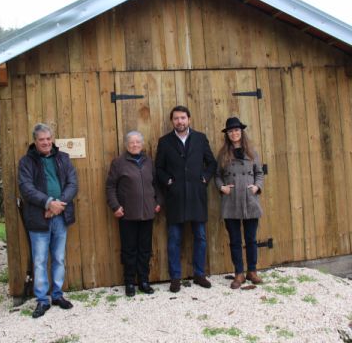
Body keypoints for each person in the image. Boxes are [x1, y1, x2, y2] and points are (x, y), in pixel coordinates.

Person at [18, 123, 78, 318]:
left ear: (52, 139)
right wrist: (48, 203)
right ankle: (43, 300)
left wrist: (58, 205)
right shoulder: (26, 162)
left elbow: (72, 184)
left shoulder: (63, 158)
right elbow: (26, 188)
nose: (45, 142)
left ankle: (57, 295)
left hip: (60, 216)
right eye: (41, 139)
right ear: (35, 141)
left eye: (48, 139)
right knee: (40, 261)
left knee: (59, 258)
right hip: (38, 218)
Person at [155, 105, 217, 293]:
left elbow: (211, 163)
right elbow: (159, 168)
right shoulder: (164, 142)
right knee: (174, 238)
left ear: (189, 119)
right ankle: (175, 277)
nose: (180, 121)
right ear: (172, 121)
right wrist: (169, 182)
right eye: (176, 118)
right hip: (175, 197)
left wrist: (204, 178)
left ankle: (199, 274)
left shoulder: (200, 138)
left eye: (183, 118)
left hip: (197, 195)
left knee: (200, 237)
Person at [106, 131, 161, 297]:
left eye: (138, 142)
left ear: (142, 144)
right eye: (131, 142)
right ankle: (129, 281)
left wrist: (158, 202)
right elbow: (110, 187)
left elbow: (156, 184)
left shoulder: (148, 161)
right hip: (127, 214)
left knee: (145, 249)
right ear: (126, 145)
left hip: (147, 213)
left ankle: (144, 281)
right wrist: (115, 206)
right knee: (129, 249)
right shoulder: (118, 163)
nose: (135, 145)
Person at [215, 117, 264, 289]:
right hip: (231, 201)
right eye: (230, 131)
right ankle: (239, 273)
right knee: (235, 240)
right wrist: (222, 188)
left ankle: (252, 271)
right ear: (227, 134)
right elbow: (217, 175)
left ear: (241, 132)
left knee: (251, 239)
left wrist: (257, 187)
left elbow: (259, 173)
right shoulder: (223, 154)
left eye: (236, 130)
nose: (234, 133)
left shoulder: (252, 152)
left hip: (250, 200)